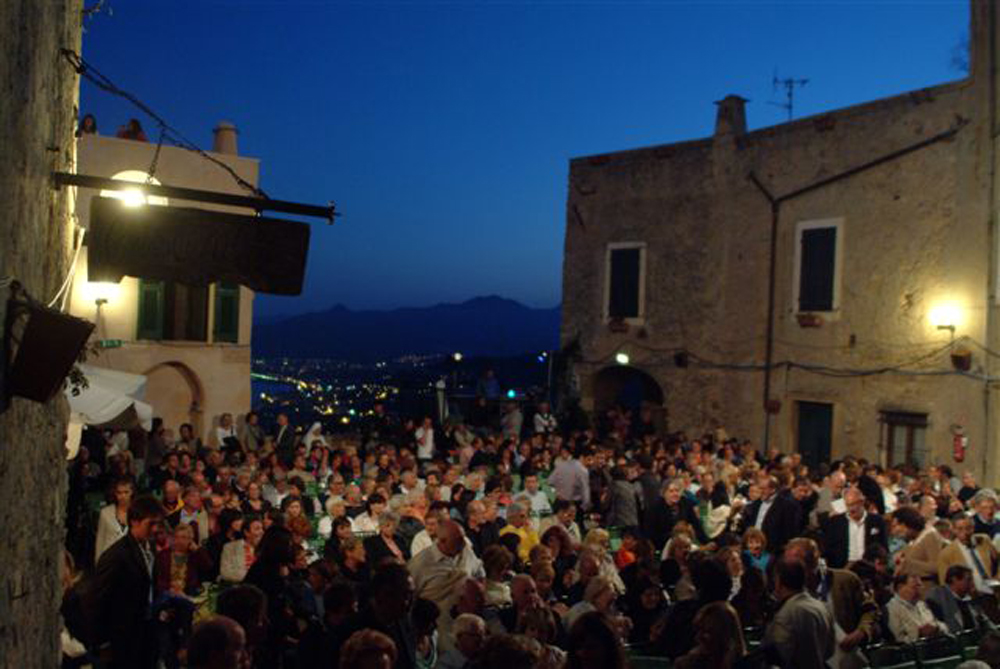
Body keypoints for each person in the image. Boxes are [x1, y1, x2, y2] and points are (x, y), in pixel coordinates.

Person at [85, 495, 165, 669]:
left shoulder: (149, 547)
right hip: (122, 637)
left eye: (158, 524)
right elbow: (97, 599)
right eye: (151, 524)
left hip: (146, 632)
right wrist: (103, 643)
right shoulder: (116, 556)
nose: (155, 529)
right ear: (135, 522)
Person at [763, 556, 835, 669]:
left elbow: (779, 655)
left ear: (778, 581)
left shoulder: (786, 614)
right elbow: (830, 650)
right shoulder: (821, 607)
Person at [823, 486, 889, 569]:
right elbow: (828, 550)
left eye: (853, 504)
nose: (851, 509)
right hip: (843, 567)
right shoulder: (835, 522)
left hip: (869, 567)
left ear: (862, 502)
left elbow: (883, 547)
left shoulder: (877, 521)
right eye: (848, 505)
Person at [674, 601, 746, 669]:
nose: (698, 637)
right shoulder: (687, 665)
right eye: (698, 630)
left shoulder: (745, 665)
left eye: (707, 632)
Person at [741, 475, 801, 554]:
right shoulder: (755, 504)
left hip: (772, 551)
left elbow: (789, 532)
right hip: (752, 549)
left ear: (773, 489)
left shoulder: (787, 506)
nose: (760, 491)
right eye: (759, 488)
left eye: (763, 489)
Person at [927, 565, 994, 634]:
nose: (972, 583)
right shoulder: (938, 596)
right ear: (954, 579)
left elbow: (985, 622)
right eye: (968, 580)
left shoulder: (970, 598)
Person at [886, 573, 949, 643]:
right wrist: (918, 633)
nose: (921, 589)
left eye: (921, 586)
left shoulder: (922, 604)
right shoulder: (892, 608)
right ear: (900, 587)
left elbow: (943, 626)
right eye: (916, 586)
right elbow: (898, 639)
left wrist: (937, 628)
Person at [95, 477, 134, 563]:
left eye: (126, 492)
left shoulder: (137, 512)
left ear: (131, 492)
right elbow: (100, 540)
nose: (122, 496)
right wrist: (98, 562)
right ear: (115, 494)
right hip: (109, 560)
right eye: (119, 493)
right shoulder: (105, 513)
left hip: (130, 561)